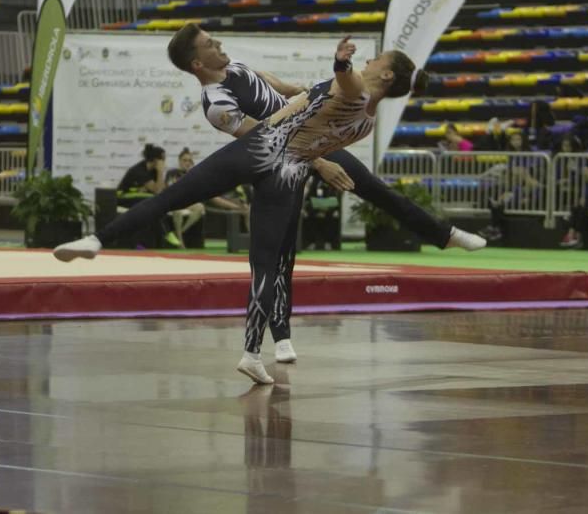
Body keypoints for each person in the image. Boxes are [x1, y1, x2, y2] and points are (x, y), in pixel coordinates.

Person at [54, 34, 482, 385]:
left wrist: (333, 70)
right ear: (197, 63)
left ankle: (99, 241)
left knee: (227, 230)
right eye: (207, 42)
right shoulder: (357, 115)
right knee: (261, 257)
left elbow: (340, 89)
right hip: (289, 159)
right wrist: (326, 83)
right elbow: (337, 96)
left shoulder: (353, 94)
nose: (217, 41)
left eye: (376, 60)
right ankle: (251, 349)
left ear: (385, 74)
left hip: (273, 153)